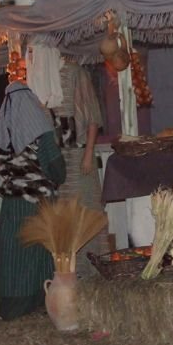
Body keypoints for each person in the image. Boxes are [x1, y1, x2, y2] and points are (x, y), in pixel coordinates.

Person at [0, 71, 66, 321]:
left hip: (12, 206)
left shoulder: (1, 136)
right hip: (38, 204)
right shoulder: (41, 134)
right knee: (39, 254)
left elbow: (0, 167)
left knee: (14, 256)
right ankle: (42, 299)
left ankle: (12, 305)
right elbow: (56, 168)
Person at [53, 59, 109, 277]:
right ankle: (73, 270)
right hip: (61, 159)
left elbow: (93, 119)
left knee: (87, 210)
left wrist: (88, 154)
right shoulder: (45, 79)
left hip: (79, 155)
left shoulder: (77, 74)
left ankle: (94, 267)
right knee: (67, 216)